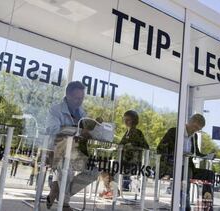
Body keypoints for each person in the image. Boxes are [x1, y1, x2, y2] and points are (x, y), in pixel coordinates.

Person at [45, 81, 99, 211]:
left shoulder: (82, 113)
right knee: (67, 169)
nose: (79, 101)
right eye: (76, 98)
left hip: (75, 151)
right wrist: (78, 131)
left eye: (82, 98)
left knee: (93, 171)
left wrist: (90, 133)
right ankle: (64, 204)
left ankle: (56, 189)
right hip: (57, 150)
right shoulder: (55, 110)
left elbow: (83, 133)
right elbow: (53, 130)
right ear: (67, 95)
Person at [156, 113, 206, 211]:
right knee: (184, 180)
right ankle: (185, 206)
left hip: (186, 166)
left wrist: (208, 155)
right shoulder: (174, 132)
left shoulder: (194, 136)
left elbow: (197, 152)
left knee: (187, 180)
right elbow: (160, 148)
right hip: (171, 164)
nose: (195, 130)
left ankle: (184, 205)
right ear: (189, 122)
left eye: (198, 129)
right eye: (195, 127)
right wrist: (177, 153)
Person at [99, 110, 149, 199]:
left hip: (131, 164)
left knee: (105, 168)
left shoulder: (137, 132)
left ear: (134, 121)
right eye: (125, 119)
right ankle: (112, 190)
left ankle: (112, 191)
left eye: (128, 120)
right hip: (122, 161)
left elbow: (146, 147)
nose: (126, 122)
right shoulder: (127, 133)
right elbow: (121, 146)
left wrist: (131, 146)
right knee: (102, 167)